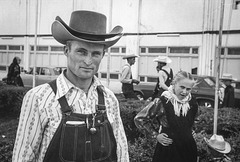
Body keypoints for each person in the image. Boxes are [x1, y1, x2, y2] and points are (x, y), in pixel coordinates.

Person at [12, 10, 129, 162]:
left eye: (95, 54)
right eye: (81, 52)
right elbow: (23, 157)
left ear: (103, 55)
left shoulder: (109, 99)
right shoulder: (39, 98)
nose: (88, 61)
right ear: (66, 50)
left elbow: (122, 153)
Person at [134, 71, 198, 162]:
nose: (184, 92)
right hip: (168, 150)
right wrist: (155, 135)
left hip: (188, 149)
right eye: (182, 87)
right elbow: (139, 119)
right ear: (174, 84)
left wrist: (192, 131)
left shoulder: (192, 103)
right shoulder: (163, 101)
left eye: (188, 89)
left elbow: (195, 120)